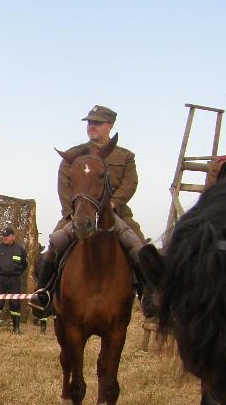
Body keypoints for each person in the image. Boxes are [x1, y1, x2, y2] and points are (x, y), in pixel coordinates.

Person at [32, 105, 145, 309]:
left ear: (109, 125)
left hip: (116, 214)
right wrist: (73, 213)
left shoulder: (125, 156)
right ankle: (43, 293)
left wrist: (113, 203)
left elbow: (130, 183)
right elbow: (64, 186)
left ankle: (149, 295)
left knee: (139, 246)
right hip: (79, 213)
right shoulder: (73, 154)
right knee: (56, 242)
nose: (91, 126)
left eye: (97, 123)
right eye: (89, 123)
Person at [0, 227, 27, 334]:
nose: (4, 238)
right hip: (0, 279)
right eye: (3, 236)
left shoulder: (20, 249)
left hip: (14, 279)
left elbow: (24, 264)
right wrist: (0, 270)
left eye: (7, 236)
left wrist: (16, 272)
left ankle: (16, 328)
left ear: (13, 237)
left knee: (15, 303)